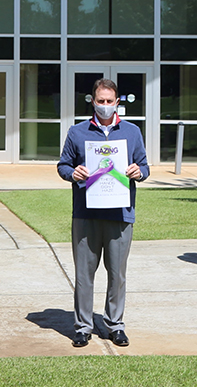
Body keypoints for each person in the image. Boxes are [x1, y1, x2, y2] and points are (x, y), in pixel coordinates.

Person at [57, 78, 148, 349]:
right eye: (101, 101)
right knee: (84, 274)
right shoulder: (77, 132)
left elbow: (144, 166)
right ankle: (83, 327)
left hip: (120, 214)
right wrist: (72, 173)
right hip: (86, 213)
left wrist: (138, 172)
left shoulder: (131, 132)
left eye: (110, 101)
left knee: (117, 274)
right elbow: (63, 165)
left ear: (117, 102)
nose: (105, 106)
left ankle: (114, 325)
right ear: (92, 101)